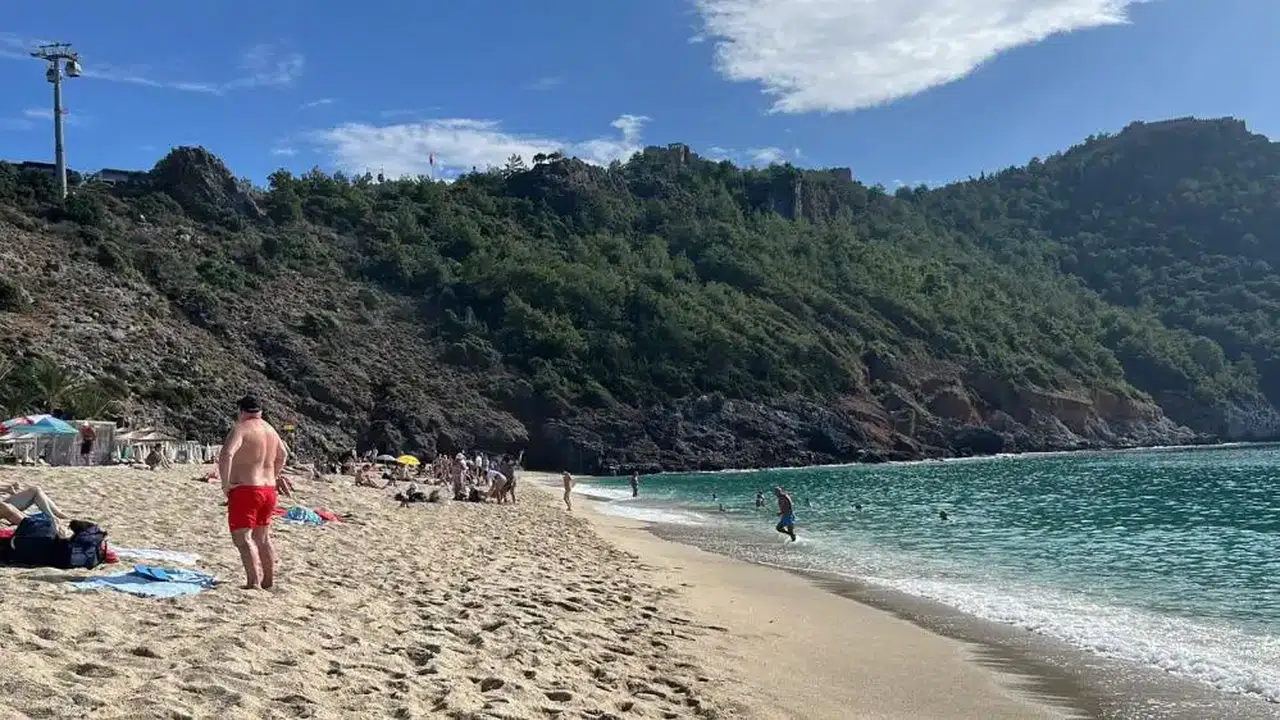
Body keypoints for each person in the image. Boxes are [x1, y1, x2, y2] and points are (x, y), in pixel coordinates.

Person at [219, 395, 288, 590]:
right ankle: (268, 581)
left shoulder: (241, 428)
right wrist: (274, 475)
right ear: (260, 412)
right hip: (268, 489)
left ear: (241, 411)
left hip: (247, 489)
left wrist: (225, 483)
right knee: (263, 538)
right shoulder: (270, 430)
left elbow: (227, 454)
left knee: (242, 538)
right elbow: (283, 455)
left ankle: (253, 582)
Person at [0, 483, 70, 530]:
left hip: (3, 505)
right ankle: (52, 518)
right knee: (35, 491)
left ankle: (58, 514)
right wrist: (6, 489)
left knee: (35, 490)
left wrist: (6, 489)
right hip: (3, 507)